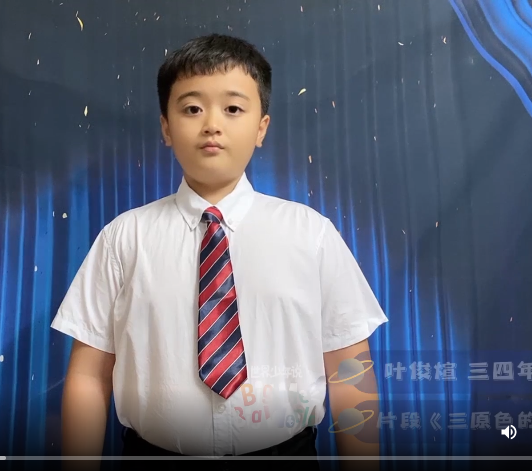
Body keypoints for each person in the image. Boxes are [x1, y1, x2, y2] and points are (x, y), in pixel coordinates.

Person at [52, 33, 388, 469]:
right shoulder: (124, 238)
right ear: (166, 127)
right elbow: (88, 376)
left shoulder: (311, 234)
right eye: (192, 108)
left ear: (261, 127)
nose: (212, 124)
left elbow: (349, 372)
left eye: (233, 109)